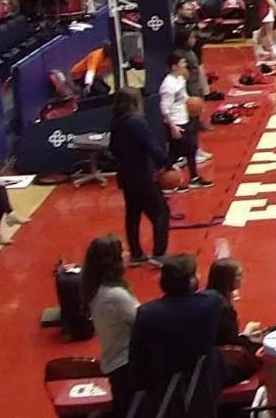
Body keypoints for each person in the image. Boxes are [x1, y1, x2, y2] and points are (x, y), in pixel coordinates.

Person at [124, 254, 225, 398]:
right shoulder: (211, 302)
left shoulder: (147, 312)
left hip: (160, 387)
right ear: (191, 281)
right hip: (202, 384)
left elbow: (137, 355)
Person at [109, 88, 172, 263]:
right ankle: (159, 254)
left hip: (125, 175)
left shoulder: (116, 122)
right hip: (142, 175)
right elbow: (151, 146)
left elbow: (112, 149)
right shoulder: (136, 123)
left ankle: (136, 254)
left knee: (133, 214)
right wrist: (167, 163)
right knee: (161, 212)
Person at [83, 235, 137, 377]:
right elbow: (142, 320)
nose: (127, 255)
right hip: (125, 364)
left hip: (116, 361)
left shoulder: (95, 287)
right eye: (123, 253)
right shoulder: (115, 295)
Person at [157, 52, 210, 187]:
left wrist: (195, 107)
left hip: (185, 118)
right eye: (182, 62)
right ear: (174, 66)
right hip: (176, 123)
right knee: (175, 154)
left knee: (191, 149)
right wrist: (172, 127)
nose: (185, 65)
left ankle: (193, 178)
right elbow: (164, 108)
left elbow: (185, 98)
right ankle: (162, 180)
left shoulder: (180, 79)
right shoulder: (168, 85)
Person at [205, 257, 247, 345]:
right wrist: (247, 334)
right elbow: (231, 342)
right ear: (228, 279)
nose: (242, 277)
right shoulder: (225, 310)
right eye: (239, 275)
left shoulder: (205, 296)